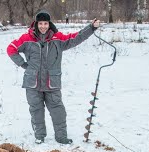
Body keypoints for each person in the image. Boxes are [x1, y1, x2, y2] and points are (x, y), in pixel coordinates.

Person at [7, 10, 100, 144]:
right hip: (33, 83)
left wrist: (91, 28)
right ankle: (39, 137)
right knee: (36, 111)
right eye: (40, 23)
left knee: (58, 111)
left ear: (49, 24)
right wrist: (23, 65)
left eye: (46, 23)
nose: (43, 26)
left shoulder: (58, 39)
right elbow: (11, 49)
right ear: (36, 24)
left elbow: (76, 37)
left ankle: (61, 137)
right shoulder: (27, 39)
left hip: (52, 82)